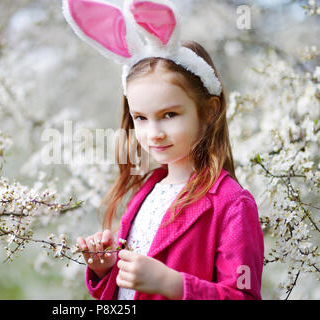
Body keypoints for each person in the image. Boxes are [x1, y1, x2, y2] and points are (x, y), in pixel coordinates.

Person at [63, 0, 264, 300]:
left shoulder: (232, 205)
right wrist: (107, 271)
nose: (154, 133)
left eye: (170, 115)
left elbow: (243, 297)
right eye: (141, 118)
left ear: (209, 112)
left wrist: (174, 285)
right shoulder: (147, 191)